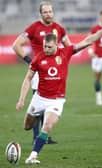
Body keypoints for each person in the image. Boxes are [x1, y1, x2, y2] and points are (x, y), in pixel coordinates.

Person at [16, 21, 102, 164]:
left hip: (56, 100)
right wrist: (21, 99)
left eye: (49, 47)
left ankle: (33, 156)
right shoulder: (38, 58)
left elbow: (88, 40)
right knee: (27, 126)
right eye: (44, 46)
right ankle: (33, 127)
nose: (45, 49)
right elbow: (28, 79)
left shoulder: (66, 52)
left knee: (47, 126)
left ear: (57, 44)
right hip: (39, 98)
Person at [13, 1, 71, 144]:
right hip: (40, 70)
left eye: (50, 11)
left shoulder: (59, 28)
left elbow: (68, 46)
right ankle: (36, 137)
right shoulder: (34, 28)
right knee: (38, 102)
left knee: (49, 103)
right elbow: (16, 45)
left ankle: (43, 136)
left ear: (53, 12)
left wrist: (62, 62)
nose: (48, 14)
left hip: (54, 71)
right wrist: (29, 60)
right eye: (45, 12)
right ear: (41, 14)